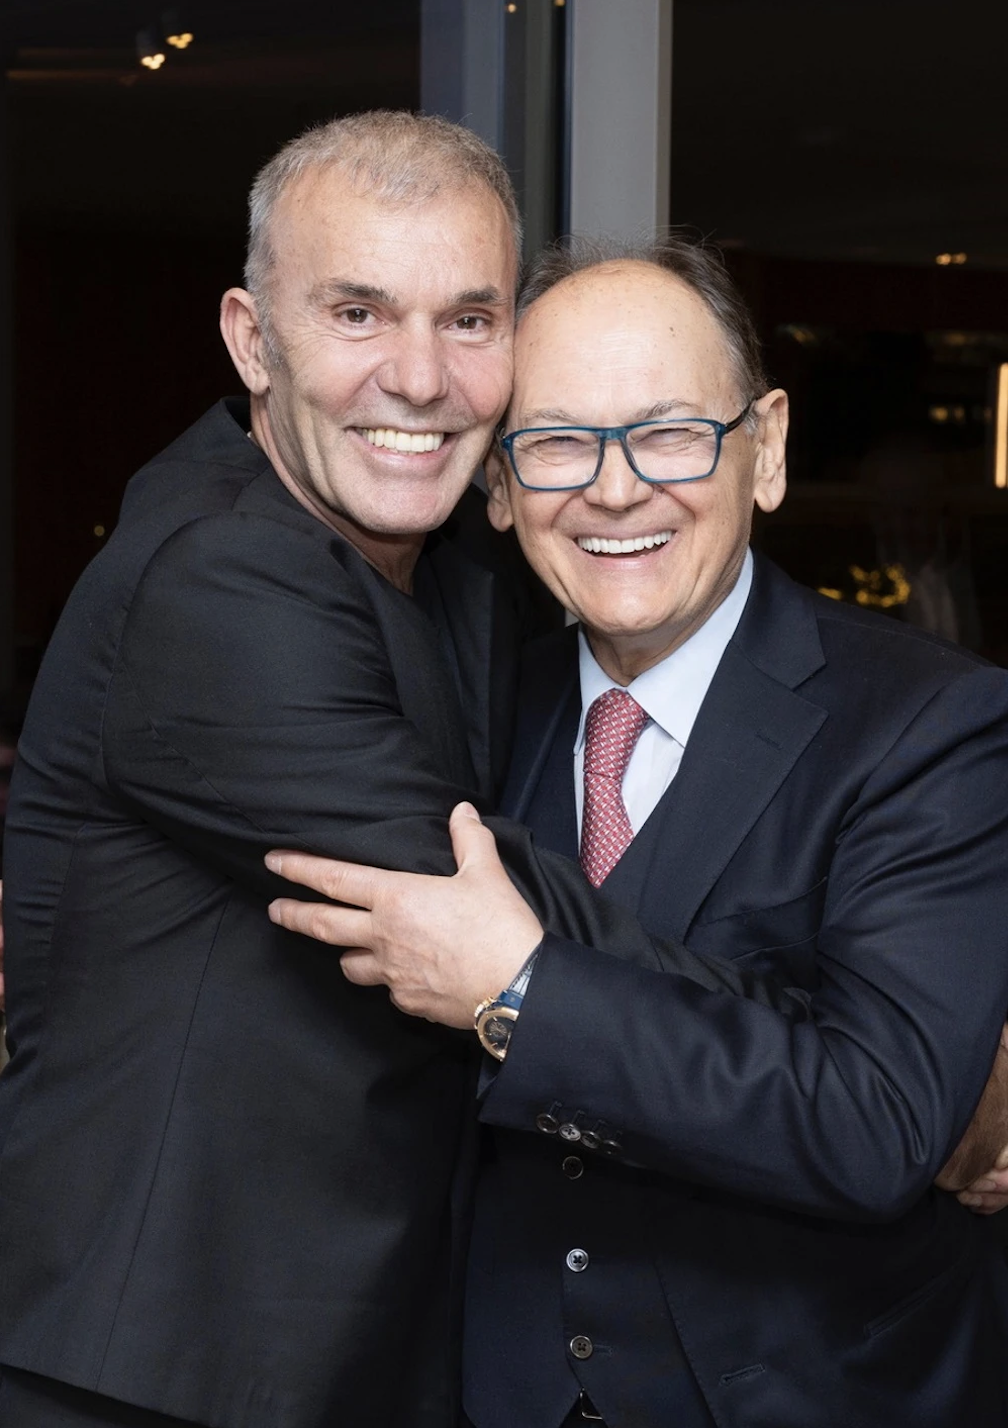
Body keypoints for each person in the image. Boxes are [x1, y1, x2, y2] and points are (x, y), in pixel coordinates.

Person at [0, 116, 837, 1428]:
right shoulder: (218, 577)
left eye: (469, 320)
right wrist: (861, 1062)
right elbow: (487, 909)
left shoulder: (450, 563)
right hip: (164, 1366)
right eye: (357, 313)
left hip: (354, 1350)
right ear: (251, 339)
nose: (420, 378)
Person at [266, 238, 1008, 1428]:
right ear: (500, 485)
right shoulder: (467, 712)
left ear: (766, 449)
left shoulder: (928, 721)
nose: (614, 491)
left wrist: (518, 990)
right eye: (559, 442)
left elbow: (877, 1122)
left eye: (669, 434)